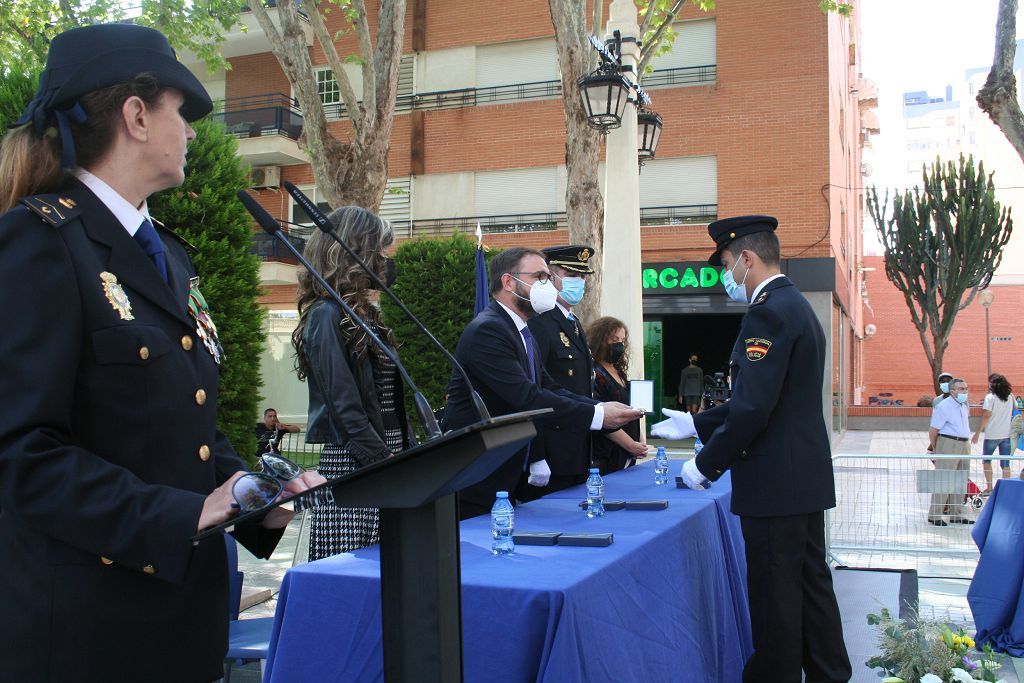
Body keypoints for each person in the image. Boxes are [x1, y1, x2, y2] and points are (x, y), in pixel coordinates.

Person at [0, 24, 323, 681]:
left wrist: (255, 497)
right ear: (137, 115)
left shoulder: (167, 254)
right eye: (183, 111)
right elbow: (21, 454)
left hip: (181, 621)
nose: (194, 131)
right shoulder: (41, 241)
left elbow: (188, 426)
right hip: (91, 634)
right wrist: (186, 512)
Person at [656, 216, 851, 682]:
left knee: (774, 595)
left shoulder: (767, 312)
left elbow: (753, 409)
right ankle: (829, 673)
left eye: (726, 263)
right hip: (800, 478)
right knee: (809, 585)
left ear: (746, 259)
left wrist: (704, 465)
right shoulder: (796, 305)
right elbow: (769, 399)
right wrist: (695, 422)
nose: (726, 276)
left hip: (772, 484)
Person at [443, 247, 644, 519]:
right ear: (508, 282)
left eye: (549, 277)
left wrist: (601, 407)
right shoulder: (489, 330)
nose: (547, 286)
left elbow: (549, 387)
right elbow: (527, 396)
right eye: (540, 277)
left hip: (506, 469)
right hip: (480, 472)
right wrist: (597, 415)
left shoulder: (521, 329)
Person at [292, 209, 414, 559]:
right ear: (355, 253)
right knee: (350, 571)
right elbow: (342, 403)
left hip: (383, 452)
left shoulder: (364, 315)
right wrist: (381, 458)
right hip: (356, 460)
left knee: (387, 569)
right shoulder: (325, 315)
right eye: (379, 251)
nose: (385, 260)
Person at [524, 244, 597, 498]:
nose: (580, 282)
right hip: (553, 451)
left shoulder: (572, 322)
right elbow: (533, 390)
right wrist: (537, 455)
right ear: (550, 277)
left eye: (583, 276)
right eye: (572, 276)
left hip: (577, 448)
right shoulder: (539, 322)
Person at [589, 316, 648, 474]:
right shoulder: (594, 372)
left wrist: (640, 439)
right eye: (614, 339)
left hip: (627, 453)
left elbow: (631, 408)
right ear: (600, 339)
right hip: (607, 454)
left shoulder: (619, 372)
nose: (619, 345)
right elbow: (603, 419)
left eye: (622, 340)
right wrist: (630, 445)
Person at [927, 378, 973, 526]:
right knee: (944, 479)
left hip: (964, 443)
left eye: (966, 388)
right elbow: (933, 430)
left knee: (960, 479)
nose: (965, 391)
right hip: (948, 442)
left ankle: (956, 514)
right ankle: (934, 515)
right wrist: (936, 447)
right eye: (961, 389)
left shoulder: (964, 405)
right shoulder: (944, 406)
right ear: (952, 391)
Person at [973, 373, 1015, 491]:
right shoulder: (1010, 396)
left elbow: (986, 415)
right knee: (1006, 463)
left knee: (987, 460)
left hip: (992, 434)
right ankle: (1006, 488)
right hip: (1006, 434)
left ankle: (990, 487)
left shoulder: (990, 398)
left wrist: (977, 433)